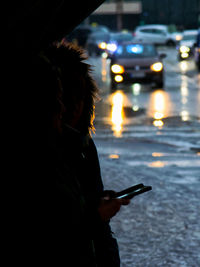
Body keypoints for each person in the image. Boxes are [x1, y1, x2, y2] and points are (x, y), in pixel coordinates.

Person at [46, 42, 130, 267]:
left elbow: (85, 204)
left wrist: (98, 202)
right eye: (67, 96)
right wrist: (97, 216)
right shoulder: (45, 153)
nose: (73, 106)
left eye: (80, 96)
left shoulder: (84, 146)